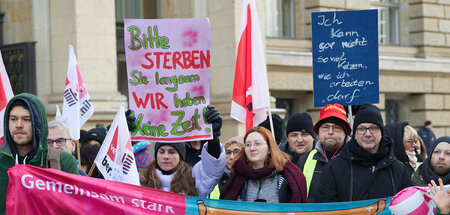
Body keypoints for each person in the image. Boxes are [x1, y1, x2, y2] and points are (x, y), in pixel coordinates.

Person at [0, 93, 79, 213]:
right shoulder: (1, 162)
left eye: (26, 119)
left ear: (38, 123)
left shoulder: (64, 161)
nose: (19, 125)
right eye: (13, 119)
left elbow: (74, 208)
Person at [317, 103, 411, 202]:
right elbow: (325, 207)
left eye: (373, 128)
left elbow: (408, 206)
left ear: (381, 132)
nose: (367, 134)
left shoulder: (399, 169)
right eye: (361, 129)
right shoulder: (334, 167)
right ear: (355, 134)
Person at [140, 105, 225, 198]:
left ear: (181, 156)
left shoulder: (194, 179)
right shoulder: (141, 179)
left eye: (172, 152)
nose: (166, 156)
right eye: (161, 152)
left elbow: (211, 168)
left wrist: (213, 138)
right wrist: (124, 132)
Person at [221, 126, 307, 203]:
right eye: (248, 144)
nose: (252, 148)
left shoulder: (286, 176)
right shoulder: (238, 174)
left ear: (269, 148)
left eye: (257, 143)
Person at [297, 103, 351, 202]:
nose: (330, 132)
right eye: (325, 127)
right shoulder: (304, 161)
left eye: (336, 127)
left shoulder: (357, 159)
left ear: (345, 133)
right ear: (318, 133)